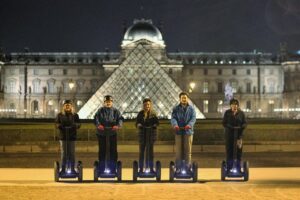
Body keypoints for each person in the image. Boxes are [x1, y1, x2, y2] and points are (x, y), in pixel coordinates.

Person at [94, 95, 123, 172]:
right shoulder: (100, 110)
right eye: (106, 102)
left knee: (113, 150)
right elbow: (96, 118)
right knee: (102, 150)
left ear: (112, 102)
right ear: (104, 103)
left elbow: (120, 119)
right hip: (102, 133)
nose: (108, 103)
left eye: (109, 101)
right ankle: (102, 168)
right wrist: (98, 125)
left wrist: (118, 126)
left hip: (112, 133)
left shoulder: (116, 111)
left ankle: (113, 168)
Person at [171, 92, 196, 171]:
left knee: (187, 152)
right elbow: (173, 118)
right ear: (180, 99)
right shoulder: (175, 109)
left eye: (185, 98)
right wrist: (175, 125)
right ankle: (178, 167)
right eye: (182, 98)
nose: (184, 99)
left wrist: (189, 125)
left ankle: (187, 167)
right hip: (178, 131)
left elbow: (193, 119)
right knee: (178, 152)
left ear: (187, 98)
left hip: (188, 132)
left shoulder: (192, 109)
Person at [55, 100, 81, 173]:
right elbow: (56, 123)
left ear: (71, 106)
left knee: (72, 153)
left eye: (69, 105)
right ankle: (63, 169)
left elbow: (79, 124)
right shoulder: (59, 115)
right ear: (63, 107)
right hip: (63, 137)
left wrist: (75, 125)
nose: (67, 106)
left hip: (72, 136)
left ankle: (72, 168)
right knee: (64, 153)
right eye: (66, 105)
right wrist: (59, 126)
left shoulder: (75, 115)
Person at [222, 98, 247, 172]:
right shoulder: (227, 113)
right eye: (233, 105)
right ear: (230, 106)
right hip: (229, 136)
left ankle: (238, 167)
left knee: (238, 151)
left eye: (236, 105)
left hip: (239, 136)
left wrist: (242, 127)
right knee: (229, 151)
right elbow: (224, 123)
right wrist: (229, 126)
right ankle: (229, 167)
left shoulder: (241, 113)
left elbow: (245, 122)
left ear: (238, 106)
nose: (235, 106)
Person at [136, 98, 159, 173]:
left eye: (148, 104)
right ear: (143, 105)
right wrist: (138, 124)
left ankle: (151, 168)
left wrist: (155, 125)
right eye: (145, 105)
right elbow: (137, 123)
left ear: (150, 105)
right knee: (141, 152)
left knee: (150, 153)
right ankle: (141, 169)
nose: (147, 106)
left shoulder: (153, 114)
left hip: (150, 135)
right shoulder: (140, 113)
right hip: (142, 135)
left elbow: (157, 122)